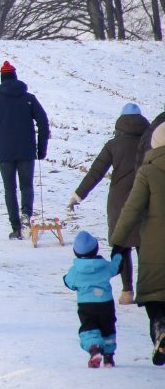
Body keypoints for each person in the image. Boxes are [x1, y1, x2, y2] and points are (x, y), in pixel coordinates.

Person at [71, 104, 149, 304]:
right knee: (145, 247)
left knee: (122, 245)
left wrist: (78, 195)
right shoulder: (150, 143)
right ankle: (146, 290)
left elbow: (96, 172)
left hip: (119, 202)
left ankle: (126, 291)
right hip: (147, 199)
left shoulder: (114, 145)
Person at [109, 123, 165, 365]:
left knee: (155, 295)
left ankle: (160, 328)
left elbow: (131, 209)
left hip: (155, 246)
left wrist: (119, 242)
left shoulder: (148, 171)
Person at [0, 60, 50, 240]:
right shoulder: (29, 99)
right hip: (27, 150)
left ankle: (16, 228)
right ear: (16, 78)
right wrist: (41, 148)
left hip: (4, 152)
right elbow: (43, 122)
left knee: (10, 189)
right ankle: (26, 214)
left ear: (2, 79)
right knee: (27, 186)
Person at [64, 231, 123, 368]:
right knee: (108, 328)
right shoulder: (104, 266)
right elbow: (117, 267)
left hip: (87, 306)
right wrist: (118, 253)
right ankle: (109, 357)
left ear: (75, 252)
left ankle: (94, 348)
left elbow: (69, 283)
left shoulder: (75, 270)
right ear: (96, 249)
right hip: (106, 305)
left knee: (88, 328)